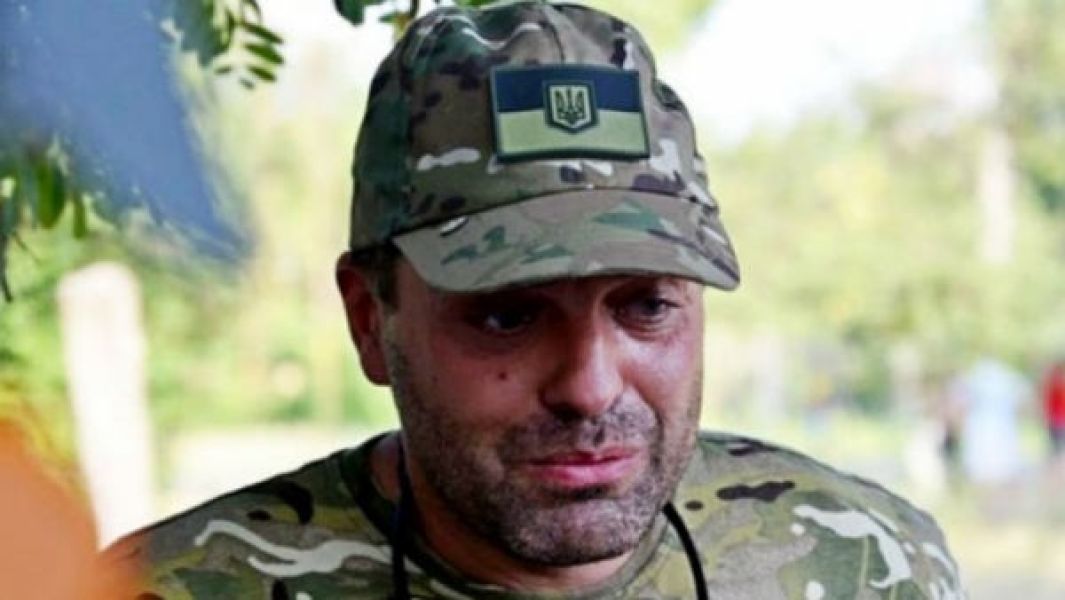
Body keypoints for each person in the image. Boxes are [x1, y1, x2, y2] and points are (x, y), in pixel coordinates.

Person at [105, 1, 964, 597]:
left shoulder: (868, 564)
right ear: (370, 319)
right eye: (506, 314)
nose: (590, 386)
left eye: (645, 307)